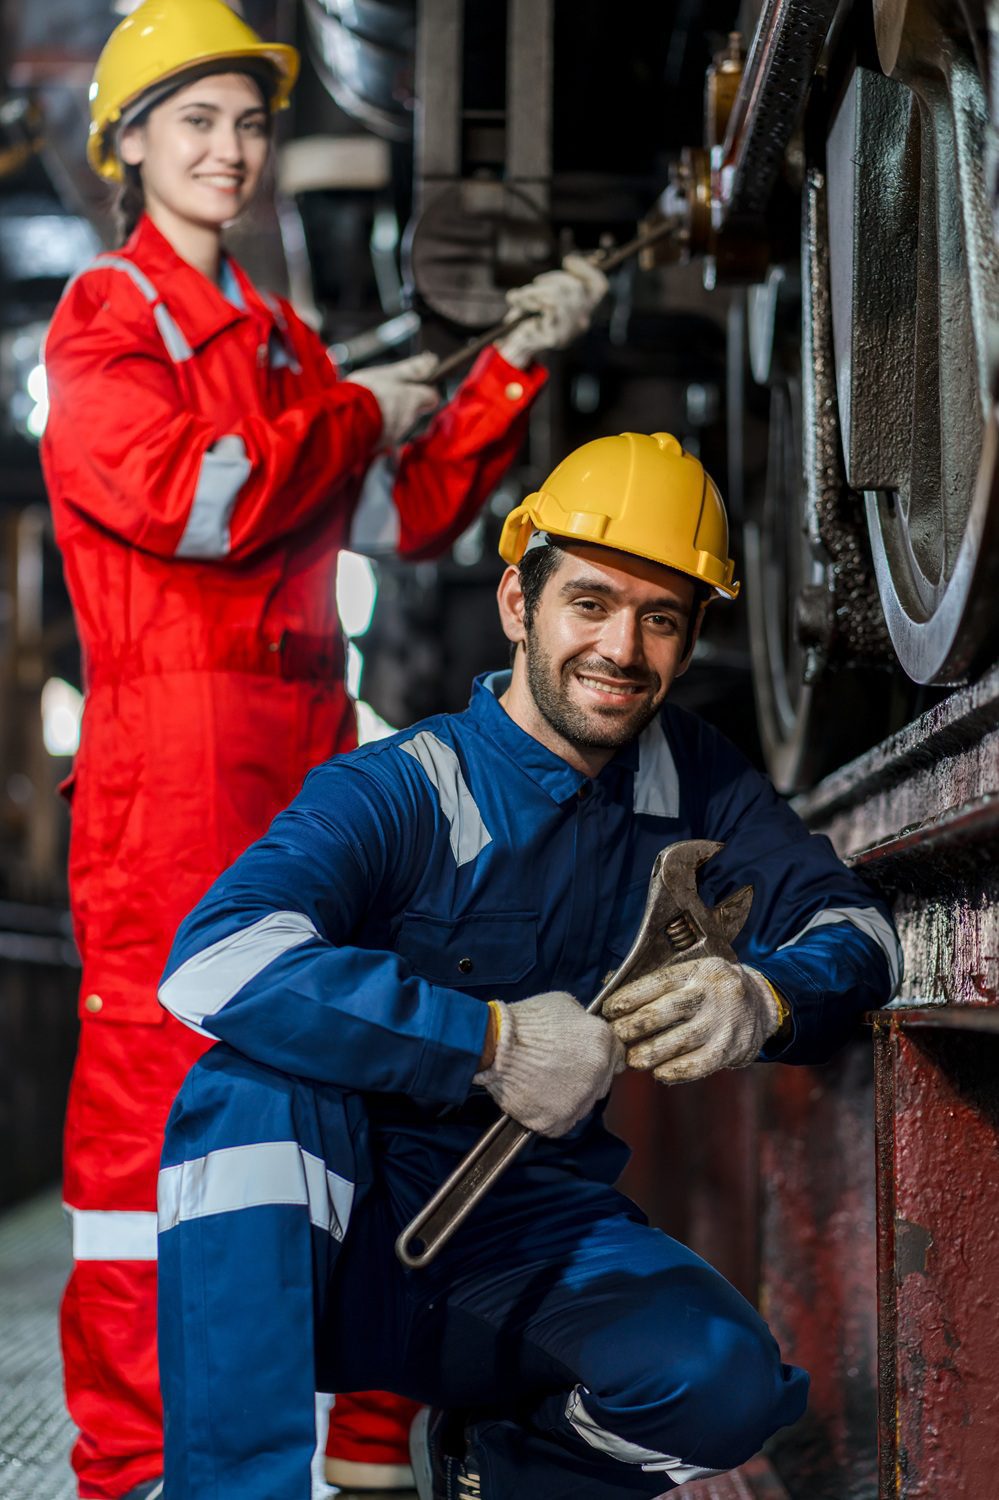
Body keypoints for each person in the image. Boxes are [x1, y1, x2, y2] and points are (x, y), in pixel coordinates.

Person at [39, 0, 609, 1494]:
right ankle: (141, 1467)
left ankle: (359, 1444)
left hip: (298, 769)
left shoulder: (282, 343)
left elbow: (394, 519)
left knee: (348, 1080)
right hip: (169, 777)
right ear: (130, 145)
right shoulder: (111, 318)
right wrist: (357, 413)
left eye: (245, 122)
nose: (227, 150)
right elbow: (199, 502)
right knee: (149, 1130)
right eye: (193, 122)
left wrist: (501, 375)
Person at [153, 431, 901, 1499]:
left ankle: (502, 1471)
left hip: (530, 1239)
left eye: (661, 619)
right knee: (243, 1092)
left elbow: (859, 929)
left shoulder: (694, 780)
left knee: (725, 1384)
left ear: (690, 643)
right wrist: (488, 1044)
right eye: (589, 603)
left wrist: (770, 995)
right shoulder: (404, 788)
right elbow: (214, 963)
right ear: (518, 603)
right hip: (340, 1252)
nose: (621, 649)